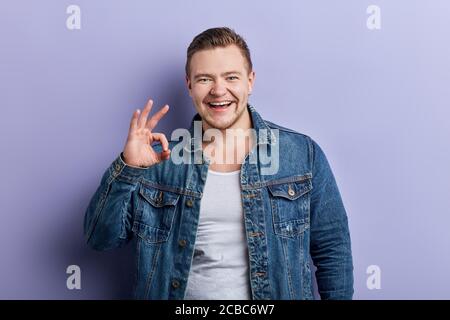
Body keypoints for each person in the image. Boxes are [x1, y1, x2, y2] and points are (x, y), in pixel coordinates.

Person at [84, 27, 354, 300]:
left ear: (250, 81)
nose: (218, 90)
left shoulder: (301, 155)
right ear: (189, 85)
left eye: (231, 77)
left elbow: (334, 251)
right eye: (204, 79)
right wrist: (128, 169)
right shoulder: (157, 162)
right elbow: (100, 239)